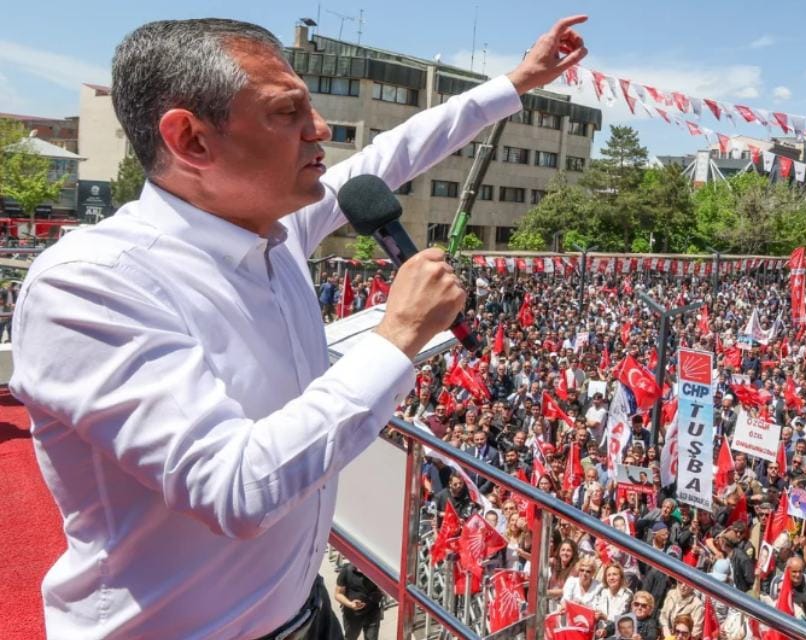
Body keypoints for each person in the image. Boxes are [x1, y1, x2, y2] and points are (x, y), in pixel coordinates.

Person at [8, 14, 586, 639]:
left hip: (307, 616)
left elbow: (395, 153)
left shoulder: (272, 233)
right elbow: (234, 489)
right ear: (191, 140)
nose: (321, 129)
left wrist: (520, 82)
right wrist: (397, 338)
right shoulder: (92, 283)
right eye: (287, 112)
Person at [335, 562, 382, 640]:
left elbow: (383, 590)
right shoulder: (346, 571)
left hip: (372, 612)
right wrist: (350, 604)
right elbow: (338, 594)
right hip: (352, 614)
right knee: (350, 637)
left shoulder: (375, 570)